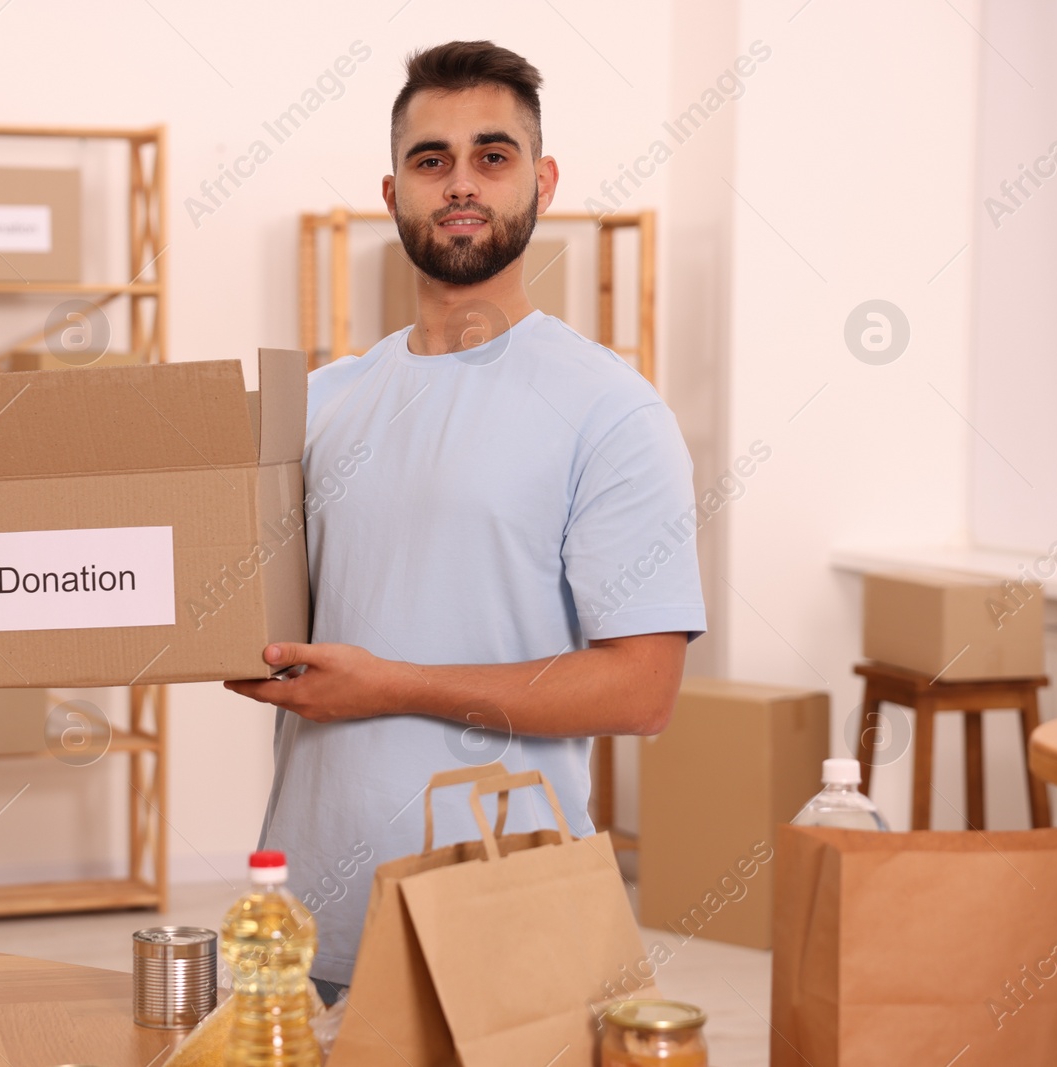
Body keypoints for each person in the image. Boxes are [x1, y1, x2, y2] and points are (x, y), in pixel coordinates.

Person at [220, 40, 707, 1005]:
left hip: (503, 911)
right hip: (310, 915)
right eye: (431, 160)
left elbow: (640, 690)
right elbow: (189, 580)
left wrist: (389, 685)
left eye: (494, 155)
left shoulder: (610, 409)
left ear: (543, 180)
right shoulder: (319, 403)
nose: (460, 184)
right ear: (394, 190)